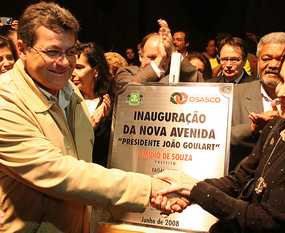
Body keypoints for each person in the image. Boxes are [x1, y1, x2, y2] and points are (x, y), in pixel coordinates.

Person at [0, 2, 178, 232]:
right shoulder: (5, 101)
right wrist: (148, 188)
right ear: (23, 49)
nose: (65, 63)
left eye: (71, 51)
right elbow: (59, 172)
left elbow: (84, 165)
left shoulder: (69, 90)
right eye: (53, 52)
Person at [154, 36, 285, 233]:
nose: (281, 91)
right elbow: (239, 180)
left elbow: (266, 221)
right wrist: (185, 193)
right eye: (282, 80)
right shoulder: (277, 127)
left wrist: (197, 190)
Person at [229, 32, 285, 170]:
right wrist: (253, 128)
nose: (273, 65)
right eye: (266, 58)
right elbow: (215, 139)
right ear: (257, 61)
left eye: (281, 59)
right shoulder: (234, 94)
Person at [115, 20, 201, 85]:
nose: (160, 61)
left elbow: (196, 78)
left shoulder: (174, 76)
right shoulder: (126, 72)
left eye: (165, 57)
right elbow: (128, 93)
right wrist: (159, 58)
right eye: (151, 57)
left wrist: (173, 51)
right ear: (141, 56)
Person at [71, 42, 112, 167]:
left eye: (79, 67)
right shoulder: (65, 100)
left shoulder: (110, 104)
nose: (72, 73)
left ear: (96, 71)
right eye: (71, 67)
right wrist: (92, 124)